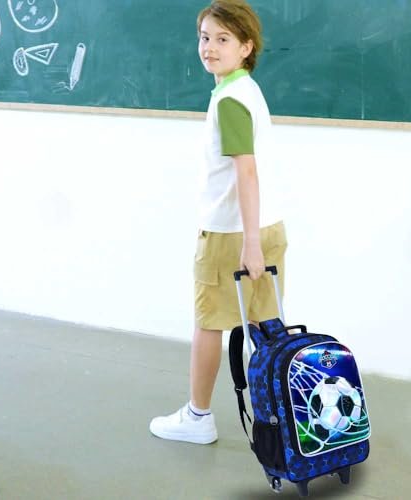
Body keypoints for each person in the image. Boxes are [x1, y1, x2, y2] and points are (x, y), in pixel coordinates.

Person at [149, 0, 287, 445]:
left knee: (208, 322)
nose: (209, 47)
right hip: (267, 226)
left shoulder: (230, 100)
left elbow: (246, 171)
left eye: (223, 39)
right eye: (205, 37)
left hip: (232, 233)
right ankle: (282, 420)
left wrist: (250, 243)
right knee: (266, 327)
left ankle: (198, 416)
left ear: (246, 47)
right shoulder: (247, 89)